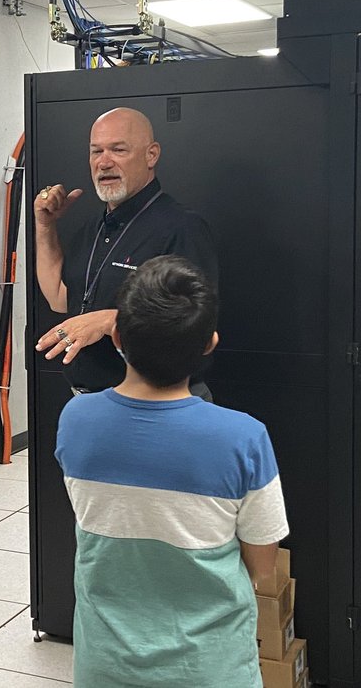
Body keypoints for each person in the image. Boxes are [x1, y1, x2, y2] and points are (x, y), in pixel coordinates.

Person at [55, 256, 288, 686]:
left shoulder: (76, 419)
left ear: (118, 337)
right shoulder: (244, 438)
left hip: (106, 666)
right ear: (209, 344)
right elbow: (262, 566)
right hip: (212, 669)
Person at [33, 106, 218, 394]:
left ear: (151, 155)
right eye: (96, 152)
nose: (104, 162)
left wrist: (110, 320)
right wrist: (44, 227)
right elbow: (59, 298)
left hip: (157, 404)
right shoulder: (93, 228)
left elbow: (192, 326)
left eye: (118, 150)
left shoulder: (181, 227)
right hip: (90, 401)